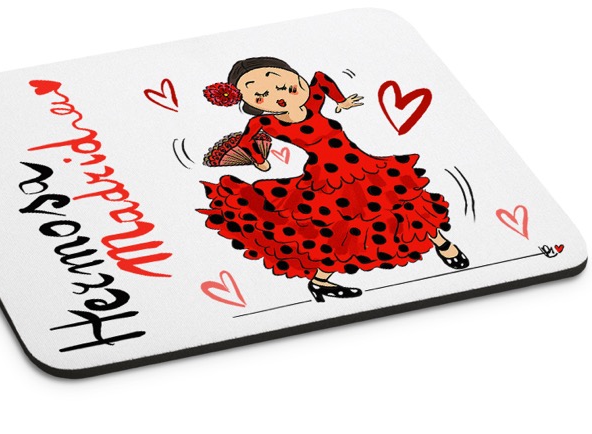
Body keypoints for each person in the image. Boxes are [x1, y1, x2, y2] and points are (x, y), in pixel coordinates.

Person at [198, 57, 468, 303]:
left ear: (297, 79)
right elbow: (247, 142)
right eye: (262, 95)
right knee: (335, 232)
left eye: (284, 85)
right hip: (326, 179)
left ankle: (443, 244)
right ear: (252, 105)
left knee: (404, 203)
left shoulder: (313, 103)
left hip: (362, 165)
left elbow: (321, 78)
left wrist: (341, 100)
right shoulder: (267, 124)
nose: (278, 94)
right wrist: (260, 160)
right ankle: (320, 282)